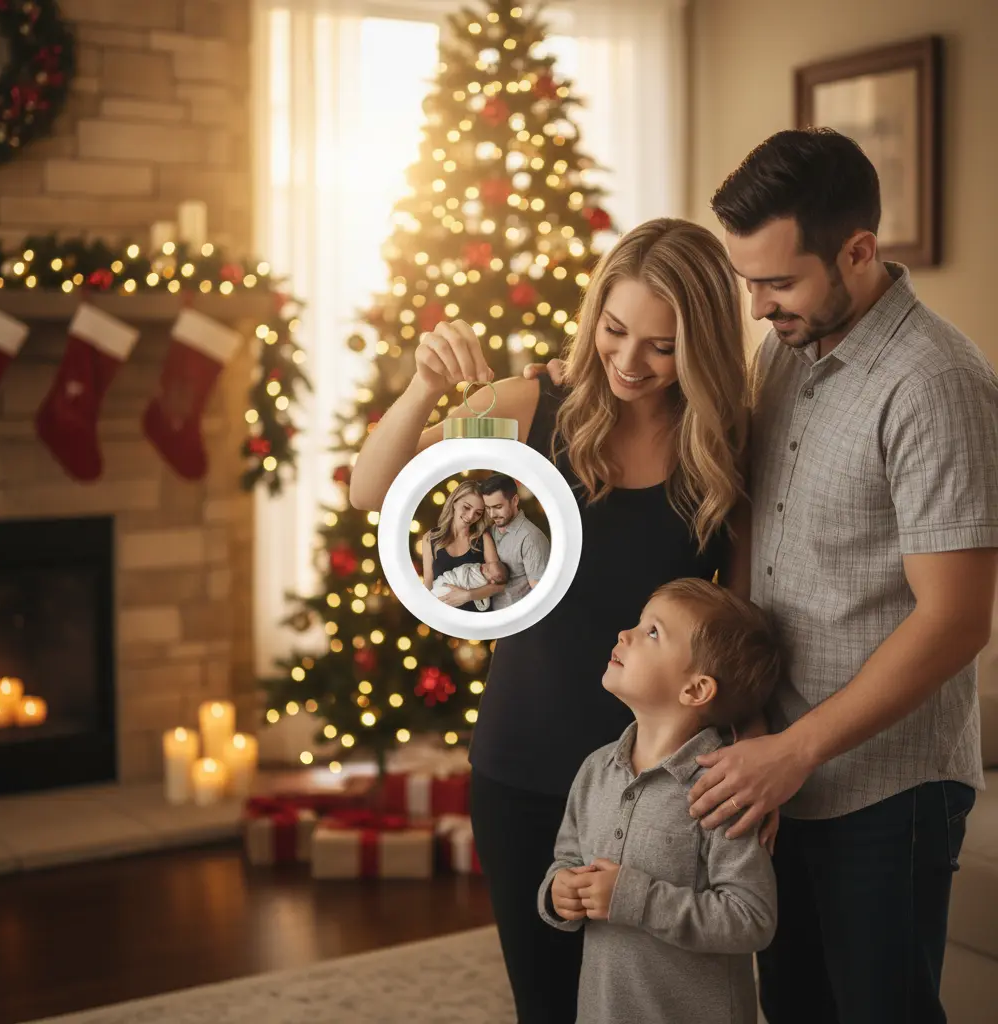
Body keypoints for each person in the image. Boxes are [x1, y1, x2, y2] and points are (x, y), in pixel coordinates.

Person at [349, 218, 759, 1024]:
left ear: (702, 345)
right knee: (547, 1004)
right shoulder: (530, 407)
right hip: (524, 765)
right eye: (615, 330)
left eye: (662, 346)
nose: (630, 361)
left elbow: (738, 622)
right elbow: (371, 490)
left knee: (651, 1002)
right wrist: (424, 386)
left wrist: (748, 749)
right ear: (594, 312)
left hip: (660, 784)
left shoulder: (723, 442)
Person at [675, 128, 998, 1024]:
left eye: (777, 283)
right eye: (748, 282)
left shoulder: (936, 383)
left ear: (858, 251)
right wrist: (747, 720)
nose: (757, 308)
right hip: (775, 763)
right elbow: (756, 524)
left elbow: (956, 620)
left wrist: (796, 750)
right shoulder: (785, 345)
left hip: (885, 788)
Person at [539, 578, 784, 1024]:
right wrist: (559, 893)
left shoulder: (720, 791)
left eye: (652, 632)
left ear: (696, 690)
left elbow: (752, 919)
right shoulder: (596, 770)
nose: (624, 634)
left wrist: (636, 899)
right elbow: (567, 859)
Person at [421, 480, 504, 613]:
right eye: (466, 507)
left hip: (478, 616)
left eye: (478, 513)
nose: (470, 516)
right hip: (445, 616)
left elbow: (500, 585)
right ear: (454, 502)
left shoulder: (483, 538)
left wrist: (467, 596)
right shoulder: (430, 538)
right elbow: (428, 585)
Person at [479, 472, 550, 608]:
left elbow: (541, 595)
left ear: (515, 500)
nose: (492, 514)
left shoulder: (531, 537)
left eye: (498, 507)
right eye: (488, 508)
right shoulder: (489, 532)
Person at [431, 557, 509, 611]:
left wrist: (468, 595)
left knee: (438, 598)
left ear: (492, 581)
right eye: (488, 564)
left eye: (488, 570)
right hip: (449, 579)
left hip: (454, 592)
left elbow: (499, 588)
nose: (485, 566)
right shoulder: (477, 567)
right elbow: (464, 569)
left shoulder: (482, 583)